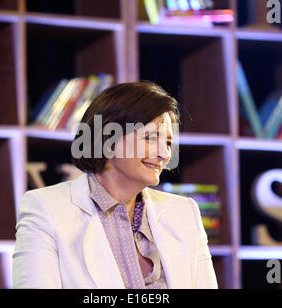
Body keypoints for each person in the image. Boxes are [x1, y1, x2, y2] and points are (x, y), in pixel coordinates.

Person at [12, 81, 218, 289]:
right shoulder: (46, 208)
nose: (165, 154)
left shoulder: (185, 212)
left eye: (167, 143)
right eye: (150, 138)